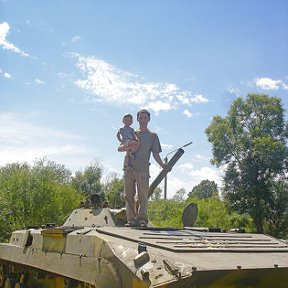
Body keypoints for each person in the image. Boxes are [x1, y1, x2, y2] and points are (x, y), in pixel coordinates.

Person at [122, 109, 166, 227]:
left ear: (148, 120)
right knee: (128, 195)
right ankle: (131, 220)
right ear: (137, 119)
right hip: (129, 168)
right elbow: (123, 146)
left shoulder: (153, 136)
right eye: (140, 118)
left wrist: (162, 164)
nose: (142, 120)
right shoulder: (132, 133)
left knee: (143, 195)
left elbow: (155, 153)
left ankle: (142, 219)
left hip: (143, 169)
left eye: (145, 118)